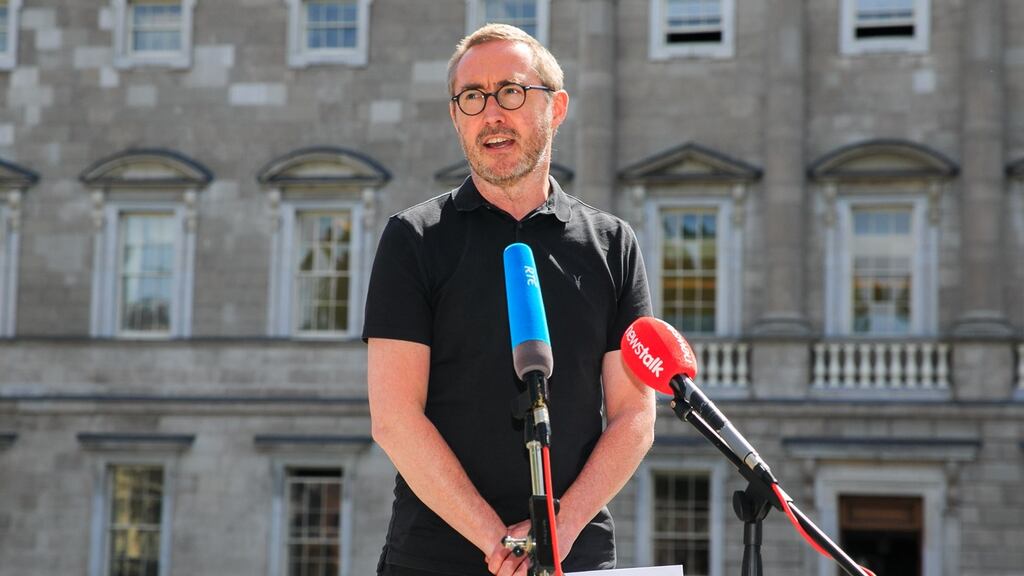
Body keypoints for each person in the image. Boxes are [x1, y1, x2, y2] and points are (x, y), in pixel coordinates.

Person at [364, 23, 655, 576]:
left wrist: (558, 529)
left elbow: (634, 414)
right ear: (456, 117)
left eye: (511, 91)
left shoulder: (612, 243)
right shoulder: (413, 239)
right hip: (435, 557)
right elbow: (395, 417)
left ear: (557, 107)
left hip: (575, 552)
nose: (491, 113)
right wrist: (498, 541)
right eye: (472, 97)